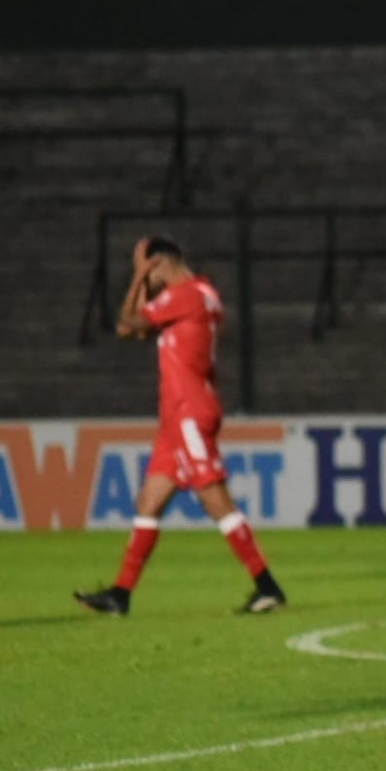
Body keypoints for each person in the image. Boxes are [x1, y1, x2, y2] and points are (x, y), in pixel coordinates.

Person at [74, 237, 286, 616]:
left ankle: (266, 585)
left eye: (145, 268)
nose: (145, 279)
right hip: (176, 419)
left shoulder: (184, 295)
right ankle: (121, 594)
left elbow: (126, 324)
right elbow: (137, 328)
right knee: (149, 502)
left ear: (158, 263)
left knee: (213, 498)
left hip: (189, 411)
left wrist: (137, 277)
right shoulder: (200, 294)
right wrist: (145, 278)